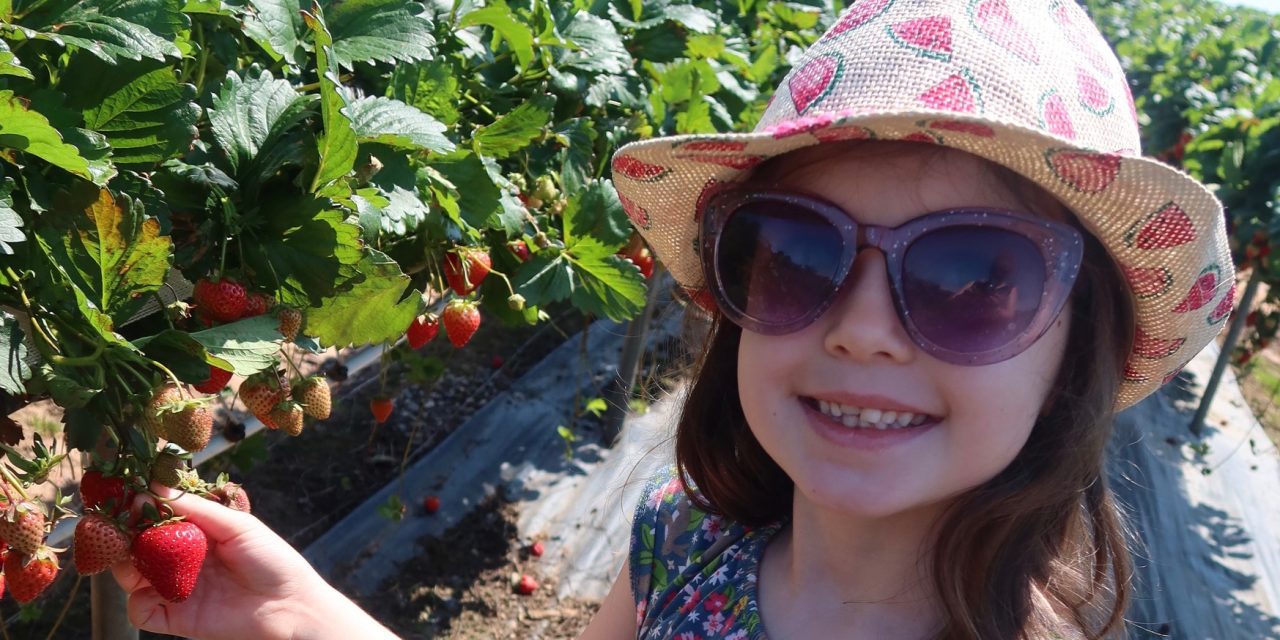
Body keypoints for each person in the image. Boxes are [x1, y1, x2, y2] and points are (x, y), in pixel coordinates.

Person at [112, 1, 1234, 639]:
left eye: (973, 278)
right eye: (795, 255)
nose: (861, 330)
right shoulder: (677, 543)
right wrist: (307, 622)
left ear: (1070, 350)